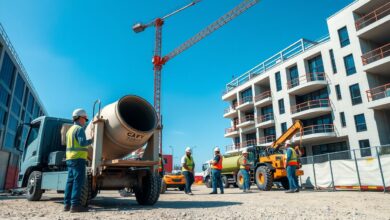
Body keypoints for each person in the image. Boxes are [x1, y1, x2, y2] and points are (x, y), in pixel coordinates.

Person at [64, 108, 93, 212]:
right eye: (85, 119)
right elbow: (82, 143)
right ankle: (75, 206)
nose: (85, 121)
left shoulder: (69, 130)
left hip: (70, 159)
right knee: (78, 182)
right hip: (78, 158)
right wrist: (92, 139)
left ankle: (66, 205)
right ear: (80, 118)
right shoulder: (79, 129)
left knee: (70, 182)